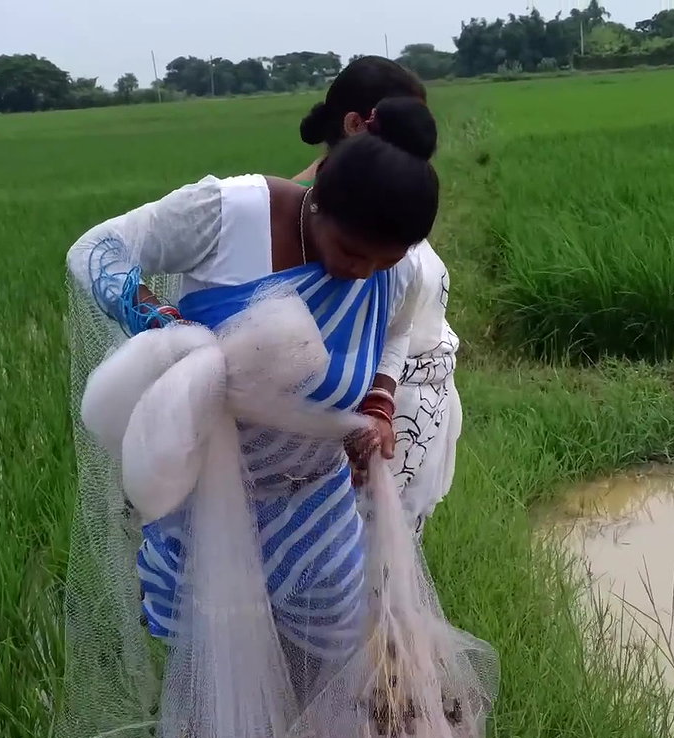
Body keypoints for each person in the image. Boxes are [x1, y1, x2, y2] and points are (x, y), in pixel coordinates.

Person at [65, 96, 437, 666]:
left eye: (380, 264)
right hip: (206, 512)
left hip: (317, 507)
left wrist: (379, 403)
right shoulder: (227, 214)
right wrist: (161, 322)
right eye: (351, 252)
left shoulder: (396, 270)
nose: (362, 274)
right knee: (216, 682)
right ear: (319, 206)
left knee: (331, 671)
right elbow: (95, 249)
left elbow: (396, 327)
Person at [293, 56, 462, 542]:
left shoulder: (386, 205)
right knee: (357, 566)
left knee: (393, 559)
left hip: (403, 409)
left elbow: (400, 321)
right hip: (362, 425)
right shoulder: (307, 218)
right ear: (355, 125)